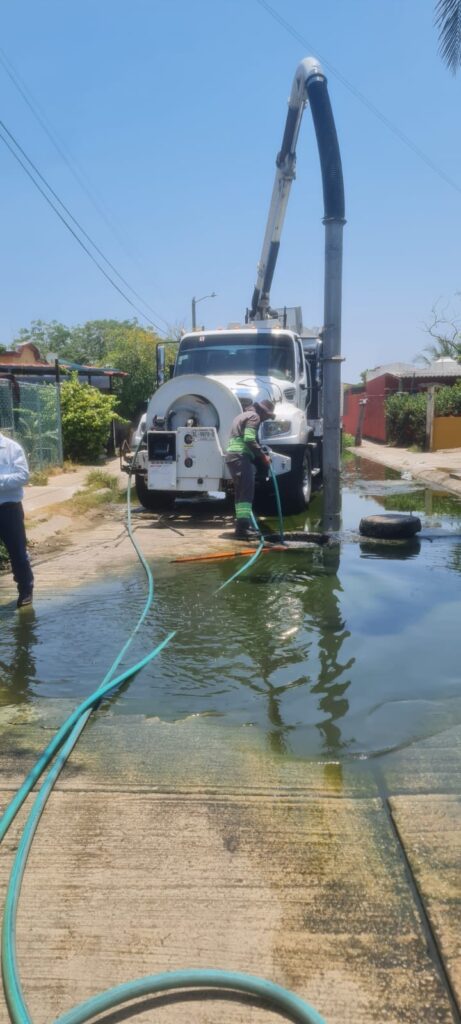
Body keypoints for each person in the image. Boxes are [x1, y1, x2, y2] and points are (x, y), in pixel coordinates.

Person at [225, 399, 276, 540]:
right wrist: (263, 456)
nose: (265, 419)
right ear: (262, 412)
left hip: (233, 457)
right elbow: (249, 439)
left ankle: (242, 526)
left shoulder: (242, 415)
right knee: (246, 493)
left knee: (240, 494)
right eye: (267, 416)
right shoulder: (255, 417)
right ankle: (242, 529)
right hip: (241, 457)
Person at [0, 432, 34, 608]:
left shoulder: (12, 448)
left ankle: (25, 589)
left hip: (9, 509)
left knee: (18, 553)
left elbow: (23, 476)